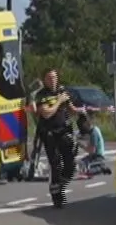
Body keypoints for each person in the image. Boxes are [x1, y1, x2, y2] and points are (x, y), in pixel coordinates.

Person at [30, 68, 80, 206]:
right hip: (49, 133)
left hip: (64, 130)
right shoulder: (41, 95)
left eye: (54, 77)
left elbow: (71, 109)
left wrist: (81, 111)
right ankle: (56, 196)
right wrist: (59, 100)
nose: (53, 80)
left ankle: (60, 184)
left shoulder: (62, 91)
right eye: (49, 78)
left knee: (70, 164)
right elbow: (46, 113)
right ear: (44, 80)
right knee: (56, 164)